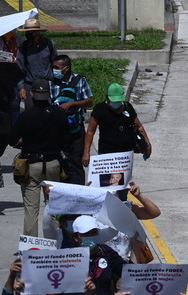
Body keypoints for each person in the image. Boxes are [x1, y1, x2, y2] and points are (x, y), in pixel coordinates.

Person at [12, 79, 70, 236]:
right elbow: (67, 140)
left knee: (31, 210)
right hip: (53, 164)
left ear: (32, 94)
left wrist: (23, 142)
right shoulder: (59, 114)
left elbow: (13, 139)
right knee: (54, 207)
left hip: (32, 165)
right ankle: (55, 242)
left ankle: (31, 248)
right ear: (49, 94)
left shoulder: (26, 116)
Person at [83, 83, 151, 167]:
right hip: (106, 154)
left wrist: (147, 144)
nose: (116, 103)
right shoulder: (99, 109)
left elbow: (139, 126)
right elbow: (90, 131)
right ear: (107, 98)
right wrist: (86, 152)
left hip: (125, 154)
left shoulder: (128, 107)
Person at [51, 55, 94, 184]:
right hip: (57, 130)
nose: (54, 70)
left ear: (66, 68)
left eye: (56, 68)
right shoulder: (51, 82)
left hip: (76, 129)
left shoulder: (80, 80)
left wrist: (72, 104)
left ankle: (78, 192)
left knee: (76, 161)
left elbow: (89, 101)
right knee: (58, 162)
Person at [17, 17, 57, 102]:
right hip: (30, 85)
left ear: (38, 32)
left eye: (32, 32)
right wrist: (21, 87)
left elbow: (55, 63)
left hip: (47, 84)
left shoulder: (49, 45)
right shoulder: (23, 47)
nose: (29, 34)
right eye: (27, 32)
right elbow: (20, 69)